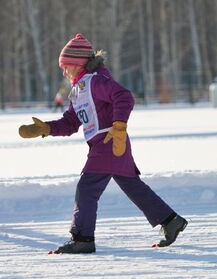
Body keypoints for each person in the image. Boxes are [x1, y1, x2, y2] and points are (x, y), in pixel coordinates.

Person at [18, 33, 187, 254]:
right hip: (110, 143)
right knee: (132, 186)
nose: (64, 71)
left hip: (109, 141)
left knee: (87, 189)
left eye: (66, 66)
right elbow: (70, 122)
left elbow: (124, 97)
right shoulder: (79, 90)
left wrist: (118, 127)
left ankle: (83, 238)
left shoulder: (96, 81)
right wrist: (46, 128)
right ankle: (170, 220)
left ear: (78, 64)